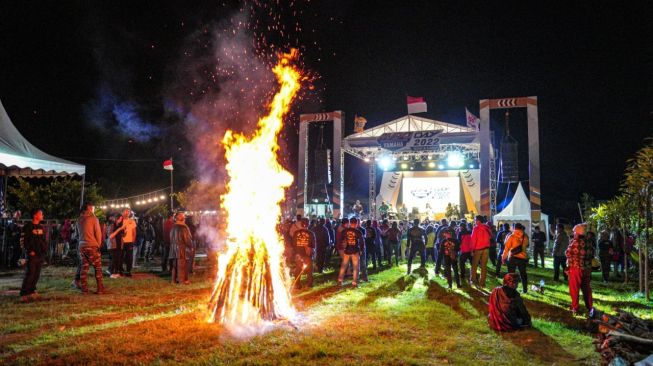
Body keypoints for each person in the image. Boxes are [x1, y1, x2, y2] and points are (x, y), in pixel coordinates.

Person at [76, 202, 105, 294]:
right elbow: (98, 233)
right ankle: (100, 289)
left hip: (81, 246)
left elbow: (77, 234)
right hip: (92, 246)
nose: (93, 209)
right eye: (92, 207)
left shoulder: (79, 219)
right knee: (98, 268)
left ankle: (84, 289)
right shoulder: (93, 219)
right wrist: (99, 245)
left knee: (84, 268)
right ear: (89, 208)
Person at [19, 209, 47, 302]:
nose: (42, 215)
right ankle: (24, 293)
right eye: (41, 213)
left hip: (40, 254)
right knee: (30, 273)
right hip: (32, 254)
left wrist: (44, 251)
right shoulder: (28, 227)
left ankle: (32, 291)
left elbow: (44, 241)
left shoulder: (41, 227)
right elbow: (23, 241)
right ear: (35, 215)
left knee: (36, 274)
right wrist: (29, 251)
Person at [566, 224, 594, 315]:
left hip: (576, 268)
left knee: (574, 288)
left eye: (574, 232)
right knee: (586, 289)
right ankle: (590, 308)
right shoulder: (589, 242)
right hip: (587, 269)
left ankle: (575, 308)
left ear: (578, 232)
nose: (573, 233)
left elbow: (568, 253)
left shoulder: (576, 241)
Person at [502, 223, 529, 293]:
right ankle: (525, 289)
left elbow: (506, 248)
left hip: (512, 258)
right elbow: (526, 245)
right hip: (522, 258)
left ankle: (511, 289)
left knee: (511, 275)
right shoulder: (525, 236)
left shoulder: (511, 236)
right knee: (523, 274)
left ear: (514, 228)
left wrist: (503, 257)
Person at [337, 218, 364, 287]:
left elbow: (340, 240)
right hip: (355, 251)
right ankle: (354, 283)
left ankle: (340, 281)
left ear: (350, 223)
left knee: (343, 266)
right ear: (356, 223)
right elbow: (361, 242)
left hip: (346, 251)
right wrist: (361, 250)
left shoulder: (344, 231)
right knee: (355, 267)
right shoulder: (358, 232)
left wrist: (343, 247)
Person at [170, 212, 193, 285]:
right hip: (181, 248)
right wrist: (191, 246)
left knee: (175, 265)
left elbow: (170, 237)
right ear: (181, 218)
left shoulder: (173, 227)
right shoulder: (183, 227)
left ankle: (173, 280)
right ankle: (182, 281)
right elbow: (187, 239)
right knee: (182, 265)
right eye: (183, 217)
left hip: (173, 248)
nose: (185, 219)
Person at [113, 209, 137, 277]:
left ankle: (128, 271)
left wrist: (133, 241)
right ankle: (120, 270)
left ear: (130, 213)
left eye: (128, 212)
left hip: (129, 242)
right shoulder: (120, 220)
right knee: (120, 257)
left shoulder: (132, 221)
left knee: (129, 257)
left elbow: (134, 232)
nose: (127, 213)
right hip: (121, 241)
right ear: (122, 212)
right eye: (125, 211)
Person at [292, 218, 316, 289]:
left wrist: (296, 252)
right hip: (307, 255)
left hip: (298, 254)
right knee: (309, 270)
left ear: (301, 224)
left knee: (298, 270)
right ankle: (309, 285)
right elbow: (313, 245)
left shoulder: (296, 233)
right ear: (308, 224)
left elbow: (293, 244)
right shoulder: (311, 233)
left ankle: (297, 285)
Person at [470, 215, 492, 288]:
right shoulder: (487, 227)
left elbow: (473, 240)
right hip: (486, 249)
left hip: (478, 249)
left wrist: (472, 250)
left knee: (474, 265)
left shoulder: (476, 228)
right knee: (484, 267)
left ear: (478, 221)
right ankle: (482, 284)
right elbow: (491, 236)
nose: (475, 221)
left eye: (475, 220)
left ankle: (473, 280)